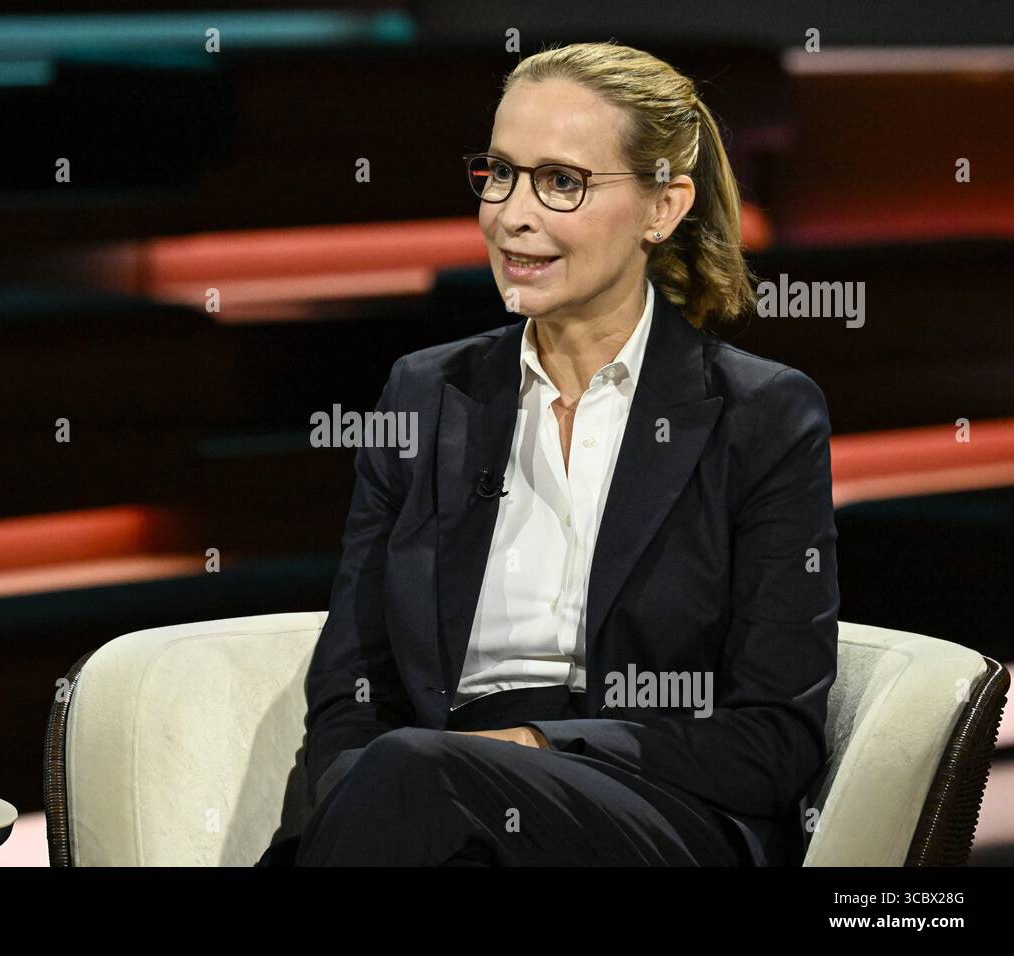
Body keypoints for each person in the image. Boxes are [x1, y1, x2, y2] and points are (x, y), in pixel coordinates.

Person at [258, 40, 838, 867]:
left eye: (561, 181)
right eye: (499, 173)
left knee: (417, 777)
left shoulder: (764, 415)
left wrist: (533, 746)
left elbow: (774, 736)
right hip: (421, 802)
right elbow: (354, 689)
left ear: (662, 209)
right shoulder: (424, 394)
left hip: (656, 804)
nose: (511, 214)